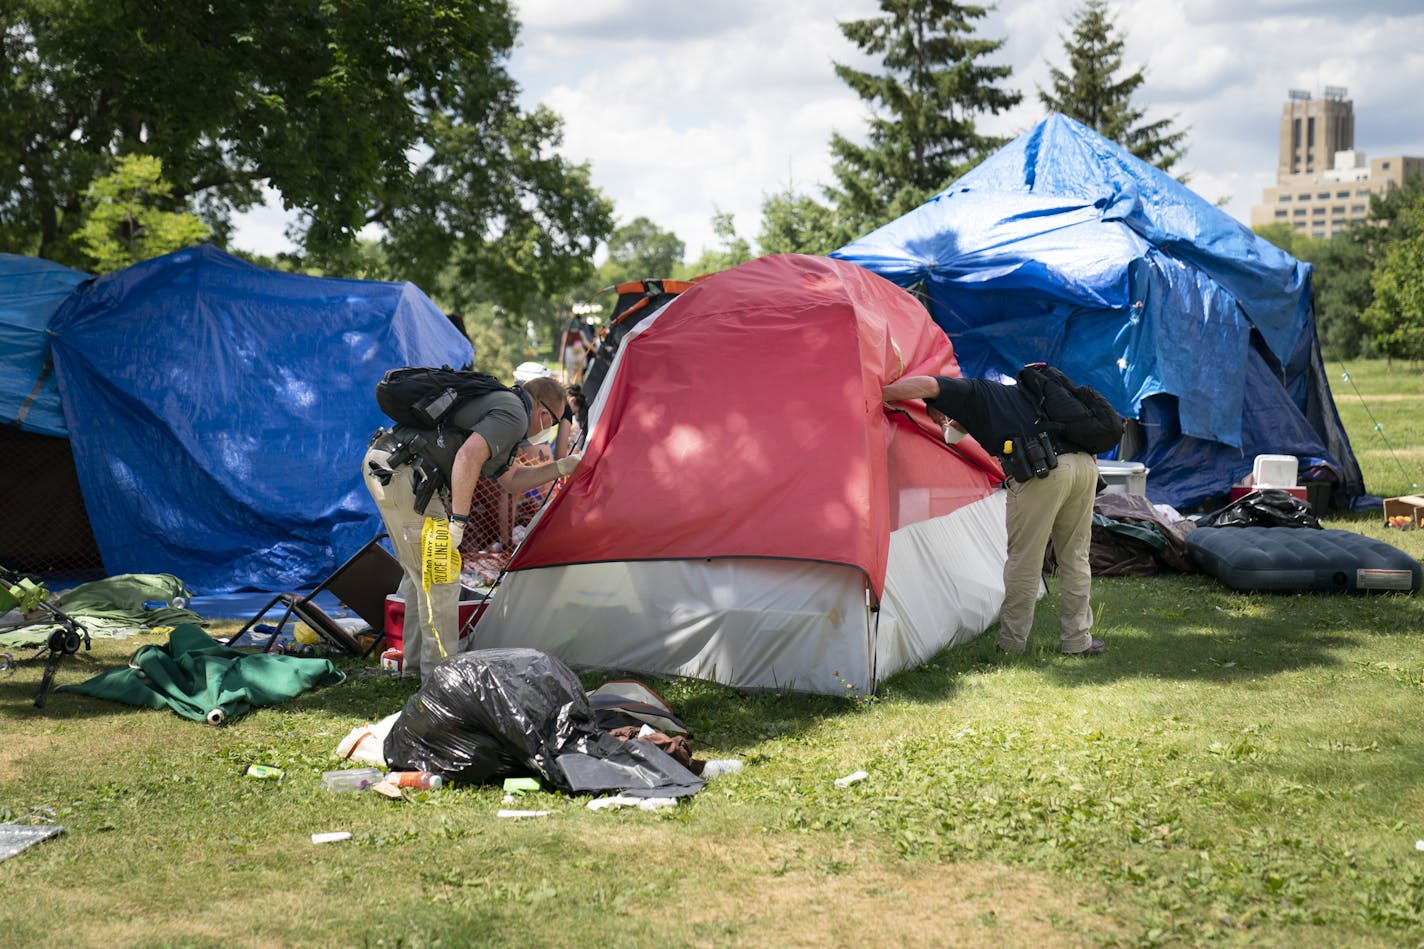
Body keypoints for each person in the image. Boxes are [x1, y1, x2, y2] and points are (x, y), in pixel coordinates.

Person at [362, 374, 581, 679]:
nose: (549, 430)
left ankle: (414, 671)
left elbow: (512, 480)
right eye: (554, 423)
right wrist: (459, 522)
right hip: (405, 474)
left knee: (420, 577)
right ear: (544, 414)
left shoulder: (506, 407)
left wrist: (557, 468)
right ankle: (440, 680)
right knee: (440, 576)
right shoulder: (515, 415)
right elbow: (467, 458)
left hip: (393, 466)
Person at [881, 371, 1105, 657]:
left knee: (1024, 560)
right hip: (1085, 466)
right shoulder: (1007, 398)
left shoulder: (968, 391)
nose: (942, 424)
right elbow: (958, 432)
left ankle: (1011, 645)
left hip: (1044, 470)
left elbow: (927, 384)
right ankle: (1078, 641)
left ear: (945, 404)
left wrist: (878, 393)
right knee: (1075, 557)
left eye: (939, 417)